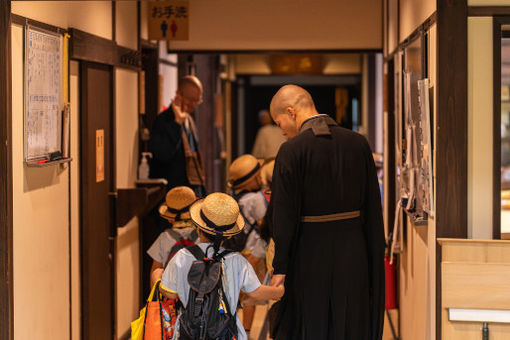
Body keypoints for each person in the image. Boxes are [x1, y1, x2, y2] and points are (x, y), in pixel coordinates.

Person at [268, 85, 385, 340]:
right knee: (351, 320)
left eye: (279, 123)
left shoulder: (291, 151)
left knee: (311, 323)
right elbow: (373, 206)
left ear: (291, 112)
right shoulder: (358, 143)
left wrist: (280, 267)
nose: (283, 131)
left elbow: (283, 215)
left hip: (308, 253)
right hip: (355, 251)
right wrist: (374, 253)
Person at [158, 192, 284, 340]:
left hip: (189, 333)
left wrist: (157, 277)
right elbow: (256, 292)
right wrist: (280, 291)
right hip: (226, 333)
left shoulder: (182, 256)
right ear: (229, 235)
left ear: (198, 228)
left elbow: (170, 293)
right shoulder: (237, 261)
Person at [228, 154, 270, 335]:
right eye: (258, 175)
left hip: (236, 252)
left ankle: (229, 327)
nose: (261, 178)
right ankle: (246, 331)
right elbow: (265, 228)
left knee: (235, 291)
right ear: (252, 179)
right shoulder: (256, 199)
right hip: (253, 253)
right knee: (250, 297)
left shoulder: (236, 198)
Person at [149, 75, 206, 197]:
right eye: (190, 100)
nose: (194, 105)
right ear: (179, 94)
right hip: (173, 195)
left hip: (192, 193)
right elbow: (163, 155)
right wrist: (177, 123)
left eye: (197, 100)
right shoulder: (163, 120)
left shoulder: (190, 120)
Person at [147, 186, 199, 287]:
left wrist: (156, 296)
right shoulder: (202, 236)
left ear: (170, 218)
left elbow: (155, 269)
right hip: (198, 294)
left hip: (171, 294)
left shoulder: (164, 237)